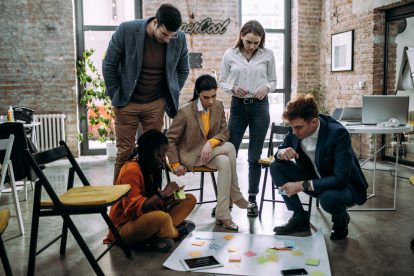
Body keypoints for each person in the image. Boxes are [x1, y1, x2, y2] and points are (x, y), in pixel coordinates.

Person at [102, 3, 189, 183]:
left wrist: (167, 97)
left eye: (171, 36)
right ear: (155, 22)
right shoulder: (127, 30)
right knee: (125, 153)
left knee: (154, 153)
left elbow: (183, 70)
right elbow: (109, 64)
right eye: (164, 34)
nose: (167, 39)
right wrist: (116, 96)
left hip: (155, 104)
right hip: (127, 102)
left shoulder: (179, 38)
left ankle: (152, 198)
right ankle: (120, 203)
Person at [270, 95, 368, 240]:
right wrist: (281, 152)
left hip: (344, 187)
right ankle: (299, 216)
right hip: (314, 178)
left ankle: (340, 218)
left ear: (314, 122)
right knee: (276, 167)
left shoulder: (338, 134)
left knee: (329, 199)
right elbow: (280, 150)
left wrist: (302, 185)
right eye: (291, 127)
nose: (294, 132)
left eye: (298, 127)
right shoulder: (295, 128)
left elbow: (340, 179)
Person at [166, 75, 252, 231]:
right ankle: (237, 196)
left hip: (209, 153)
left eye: (214, 96)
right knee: (231, 148)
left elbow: (225, 133)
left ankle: (223, 214)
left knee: (225, 162)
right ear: (198, 93)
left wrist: (210, 143)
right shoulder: (185, 112)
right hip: (190, 155)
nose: (211, 101)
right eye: (206, 97)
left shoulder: (218, 106)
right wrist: (175, 163)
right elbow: (170, 140)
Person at [104, 129, 196, 252]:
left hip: (148, 217)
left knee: (189, 199)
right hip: (124, 227)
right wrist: (163, 194)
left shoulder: (150, 165)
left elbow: (154, 199)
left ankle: (159, 234)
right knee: (161, 218)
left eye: (164, 155)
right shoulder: (131, 170)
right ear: (148, 152)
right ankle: (176, 232)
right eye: (160, 155)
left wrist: (170, 196)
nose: (163, 159)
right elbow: (133, 210)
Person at [219, 20, 276, 217]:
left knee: (254, 156)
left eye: (256, 43)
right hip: (237, 107)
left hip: (260, 108)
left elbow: (273, 80)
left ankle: (252, 200)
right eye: (248, 41)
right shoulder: (230, 54)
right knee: (230, 154)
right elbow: (222, 82)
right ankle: (227, 201)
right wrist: (233, 88)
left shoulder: (267, 55)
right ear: (241, 36)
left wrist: (266, 87)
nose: (252, 46)